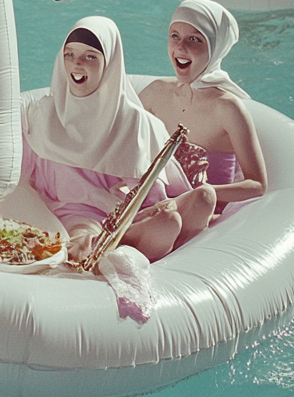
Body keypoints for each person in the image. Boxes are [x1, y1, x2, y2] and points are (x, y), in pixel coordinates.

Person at [22, 16, 216, 263]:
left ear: (109, 63)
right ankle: (110, 248)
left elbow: (149, 194)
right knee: (166, 224)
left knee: (203, 198)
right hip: (78, 217)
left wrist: (153, 212)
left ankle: (123, 247)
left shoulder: (130, 119)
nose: (77, 64)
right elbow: (15, 175)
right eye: (69, 54)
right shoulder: (42, 114)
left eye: (90, 56)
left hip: (121, 210)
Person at [139, 0, 267, 217]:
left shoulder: (227, 108)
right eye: (175, 36)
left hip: (202, 214)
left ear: (216, 48)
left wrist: (194, 194)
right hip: (154, 203)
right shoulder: (156, 93)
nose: (180, 46)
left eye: (194, 39)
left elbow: (257, 185)